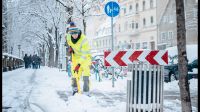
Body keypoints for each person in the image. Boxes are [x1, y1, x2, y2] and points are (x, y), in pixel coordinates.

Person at [66, 22, 92, 96]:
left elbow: (84, 54)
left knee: (85, 76)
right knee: (74, 75)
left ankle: (86, 93)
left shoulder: (84, 39)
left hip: (85, 58)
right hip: (76, 58)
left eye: (76, 33)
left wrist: (79, 64)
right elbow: (68, 42)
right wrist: (70, 47)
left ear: (78, 32)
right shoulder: (69, 36)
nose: (74, 35)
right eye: (72, 34)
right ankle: (75, 91)